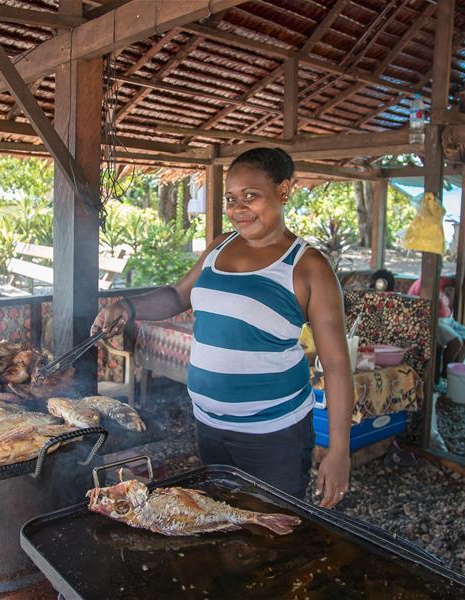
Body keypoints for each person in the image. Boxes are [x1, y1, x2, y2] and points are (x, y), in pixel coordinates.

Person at [92, 148, 354, 508]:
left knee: (268, 530)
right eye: (232, 199)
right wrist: (127, 306)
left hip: (273, 434)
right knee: (219, 515)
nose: (238, 208)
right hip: (209, 426)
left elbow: (337, 364)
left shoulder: (308, 268)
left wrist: (339, 449)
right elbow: (176, 295)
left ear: (284, 191)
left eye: (251, 196)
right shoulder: (219, 247)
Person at [408, 273, 465, 375]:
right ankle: (446, 373)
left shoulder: (439, 280)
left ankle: (456, 371)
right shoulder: (421, 286)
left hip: (448, 320)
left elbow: (454, 278)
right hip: (434, 322)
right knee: (456, 342)